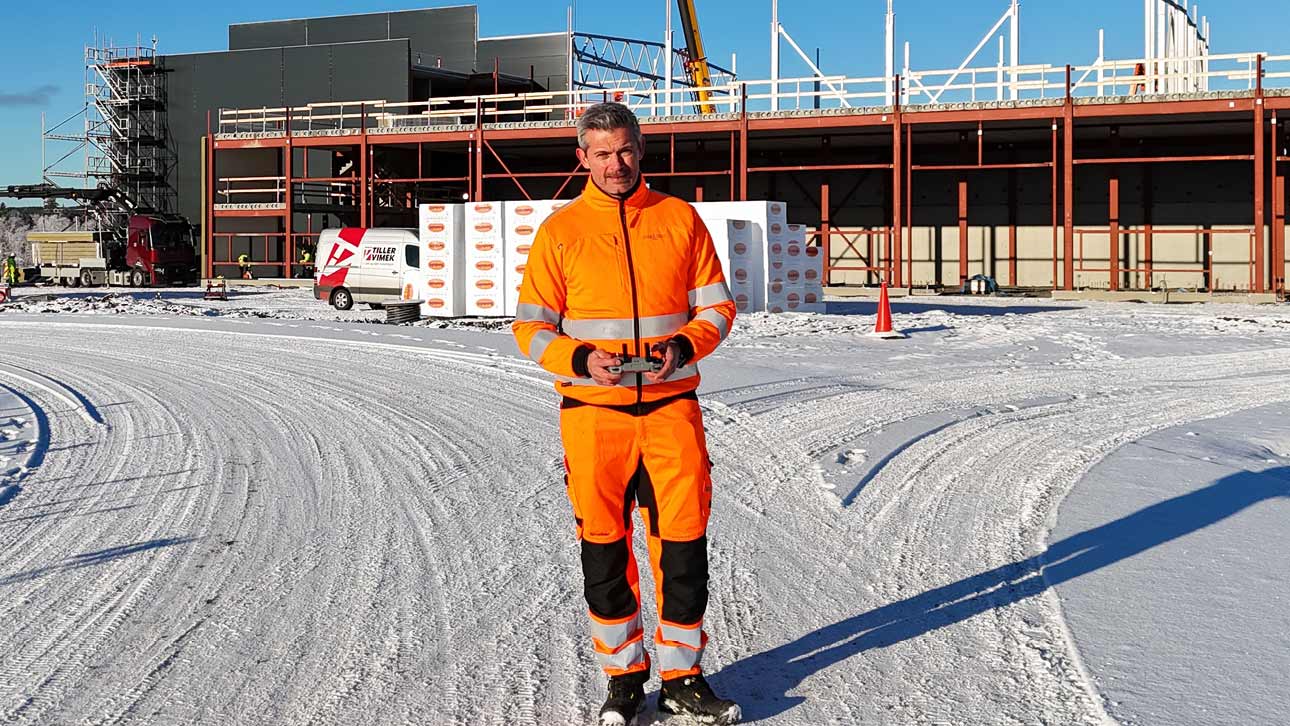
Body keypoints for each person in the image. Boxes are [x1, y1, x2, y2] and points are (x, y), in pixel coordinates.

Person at [512, 102, 740, 726]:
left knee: (684, 548)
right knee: (606, 551)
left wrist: (684, 347)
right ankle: (624, 680)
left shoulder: (681, 220)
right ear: (582, 157)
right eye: (603, 153)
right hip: (593, 417)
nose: (617, 163)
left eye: (627, 149)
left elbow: (718, 308)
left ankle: (684, 680)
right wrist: (580, 358)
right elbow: (530, 327)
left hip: (671, 411)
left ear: (642, 149)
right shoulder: (560, 231)